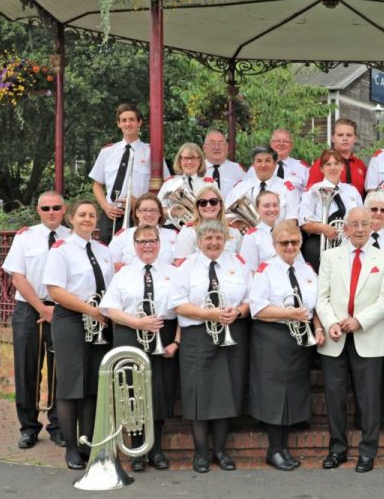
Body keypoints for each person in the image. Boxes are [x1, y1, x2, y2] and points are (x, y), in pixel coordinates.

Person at [316, 207, 384, 473]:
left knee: (369, 398)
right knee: (335, 396)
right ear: (346, 229)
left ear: (372, 227)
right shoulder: (329, 257)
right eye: (355, 224)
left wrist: (359, 321)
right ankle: (337, 450)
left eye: (365, 223)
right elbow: (321, 297)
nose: (360, 228)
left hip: (368, 334)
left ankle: (367, 452)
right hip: (335, 336)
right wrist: (330, 324)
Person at [170, 220, 251, 474]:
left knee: (227, 391)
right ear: (199, 241)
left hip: (231, 331)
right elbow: (178, 304)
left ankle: (220, 450)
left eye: (218, 237)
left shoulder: (237, 263)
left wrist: (237, 311)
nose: (214, 242)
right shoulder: (186, 267)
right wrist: (210, 314)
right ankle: (201, 452)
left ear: (225, 239)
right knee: (198, 394)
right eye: (209, 238)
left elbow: (251, 298)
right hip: (197, 336)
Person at [100, 224, 180, 472]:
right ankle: (137, 449)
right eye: (142, 241)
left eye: (152, 240)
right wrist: (138, 322)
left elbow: (183, 310)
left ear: (160, 243)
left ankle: (155, 449)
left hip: (163, 333)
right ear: (134, 246)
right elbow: (110, 308)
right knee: (133, 392)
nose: (147, 245)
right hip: (130, 332)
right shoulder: (123, 274)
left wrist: (176, 341)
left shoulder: (173, 272)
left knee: (160, 391)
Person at [43, 200, 114, 470]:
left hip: (100, 321)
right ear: (71, 218)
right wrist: (89, 310)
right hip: (72, 319)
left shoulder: (103, 249)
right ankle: (71, 448)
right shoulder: (61, 250)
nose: (88, 219)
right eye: (82, 214)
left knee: (93, 387)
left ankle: (88, 445)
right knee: (71, 386)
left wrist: (103, 312)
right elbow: (55, 291)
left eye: (92, 215)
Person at [248, 221, 321, 471]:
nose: (290, 247)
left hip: (299, 340)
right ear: (274, 244)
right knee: (274, 395)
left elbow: (317, 305)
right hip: (273, 338)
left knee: (292, 391)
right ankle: (274, 449)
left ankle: (284, 447)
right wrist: (288, 313)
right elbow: (257, 309)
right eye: (284, 242)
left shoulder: (308, 270)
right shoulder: (266, 270)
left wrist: (319, 328)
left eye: (294, 242)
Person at [2, 191, 70, 450]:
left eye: (56, 207)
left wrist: (55, 308)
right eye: (45, 208)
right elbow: (17, 277)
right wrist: (42, 308)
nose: (51, 212)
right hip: (29, 308)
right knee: (26, 369)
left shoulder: (72, 238)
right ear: (38, 211)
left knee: (59, 371)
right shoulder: (25, 237)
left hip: (62, 309)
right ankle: (28, 427)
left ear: (64, 210)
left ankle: (57, 425)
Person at [89, 103, 169, 244]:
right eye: (124, 120)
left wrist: (139, 203)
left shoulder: (152, 152)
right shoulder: (107, 152)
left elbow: (166, 186)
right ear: (119, 124)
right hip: (111, 215)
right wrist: (105, 206)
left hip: (139, 215)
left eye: (132, 119)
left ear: (139, 123)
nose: (128, 124)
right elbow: (96, 185)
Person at [299, 149, 363, 270]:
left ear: (342, 167)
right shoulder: (313, 191)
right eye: (328, 164)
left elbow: (362, 218)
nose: (332, 167)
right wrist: (324, 228)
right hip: (320, 242)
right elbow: (304, 223)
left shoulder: (352, 191)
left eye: (336, 163)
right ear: (322, 169)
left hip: (348, 242)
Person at [227, 145, 300, 225]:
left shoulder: (287, 189)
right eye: (259, 161)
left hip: (277, 235)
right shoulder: (240, 188)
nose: (263, 165)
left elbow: (291, 221)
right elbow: (227, 217)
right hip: (245, 236)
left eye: (268, 161)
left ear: (275, 165)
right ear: (253, 165)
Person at [174, 184, 242, 260]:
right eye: (203, 202)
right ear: (197, 207)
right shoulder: (188, 232)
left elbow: (242, 265)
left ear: (220, 205)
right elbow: (180, 266)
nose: (208, 205)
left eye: (213, 201)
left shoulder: (234, 232)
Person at [109, 193, 177, 269]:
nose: (149, 214)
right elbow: (112, 265)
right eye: (144, 210)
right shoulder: (122, 237)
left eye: (153, 210)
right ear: (137, 213)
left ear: (160, 213)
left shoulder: (173, 236)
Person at [307, 118, 367, 197]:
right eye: (340, 135)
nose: (345, 139)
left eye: (349, 135)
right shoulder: (322, 163)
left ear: (355, 138)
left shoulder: (361, 166)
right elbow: (311, 194)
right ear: (333, 138)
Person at [157, 143, 209, 228]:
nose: (189, 162)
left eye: (193, 158)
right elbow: (157, 209)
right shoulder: (169, 183)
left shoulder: (209, 184)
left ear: (200, 161)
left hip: (203, 229)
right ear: (180, 161)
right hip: (173, 230)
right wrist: (173, 212)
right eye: (185, 158)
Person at [247, 129, 309, 195]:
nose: (281, 144)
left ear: (291, 146)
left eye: (285, 141)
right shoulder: (257, 167)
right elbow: (246, 190)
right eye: (278, 141)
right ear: (271, 144)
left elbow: (309, 194)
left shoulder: (302, 168)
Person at [239, 191, 281, 275]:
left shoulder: (288, 231)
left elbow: (299, 264)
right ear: (257, 209)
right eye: (266, 206)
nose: (272, 209)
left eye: (275, 205)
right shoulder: (252, 237)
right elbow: (249, 272)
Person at [203, 130, 246, 200]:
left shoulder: (238, 170)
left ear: (227, 147)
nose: (216, 147)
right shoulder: (196, 170)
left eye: (220, 143)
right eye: (212, 143)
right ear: (204, 148)